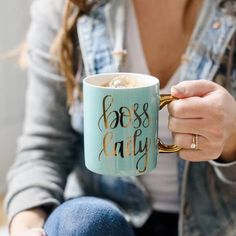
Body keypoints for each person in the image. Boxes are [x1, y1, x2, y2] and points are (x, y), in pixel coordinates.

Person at [4, 0, 236, 235]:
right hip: (102, 222)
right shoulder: (67, 7)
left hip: (217, 226)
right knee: (84, 221)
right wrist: (26, 224)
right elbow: (44, 150)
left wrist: (233, 138)